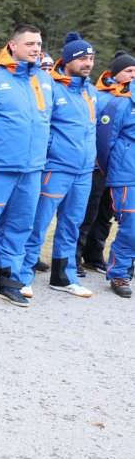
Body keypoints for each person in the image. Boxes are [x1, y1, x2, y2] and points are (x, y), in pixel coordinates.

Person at [0, 25, 53, 306]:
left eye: (38, 44)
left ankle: (9, 280)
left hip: (31, 170)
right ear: (12, 46)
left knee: (20, 226)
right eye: (29, 43)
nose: (36, 48)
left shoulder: (44, 81)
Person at [20, 33, 97, 299]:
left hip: (83, 171)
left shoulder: (91, 91)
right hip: (55, 168)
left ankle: (63, 277)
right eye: (82, 59)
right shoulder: (51, 87)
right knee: (37, 223)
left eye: (91, 58)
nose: (88, 63)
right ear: (67, 61)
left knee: (71, 224)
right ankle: (23, 275)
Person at [78, 50, 135, 273]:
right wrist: (103, 164)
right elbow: (101, 135)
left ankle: (94, 255)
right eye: (128, 71)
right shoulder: (101, 95)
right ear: (115, 73)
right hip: (97, 165)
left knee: (106, 214)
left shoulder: (129, 97)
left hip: (118, 168)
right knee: (88, 212)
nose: (133, 75)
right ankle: (76, 257)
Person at [96, 83, 135, 298]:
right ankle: (119, 273)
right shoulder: (120, 104)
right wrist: (113, 170)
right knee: (132, 227)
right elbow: (103, 143)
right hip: (126, 176)